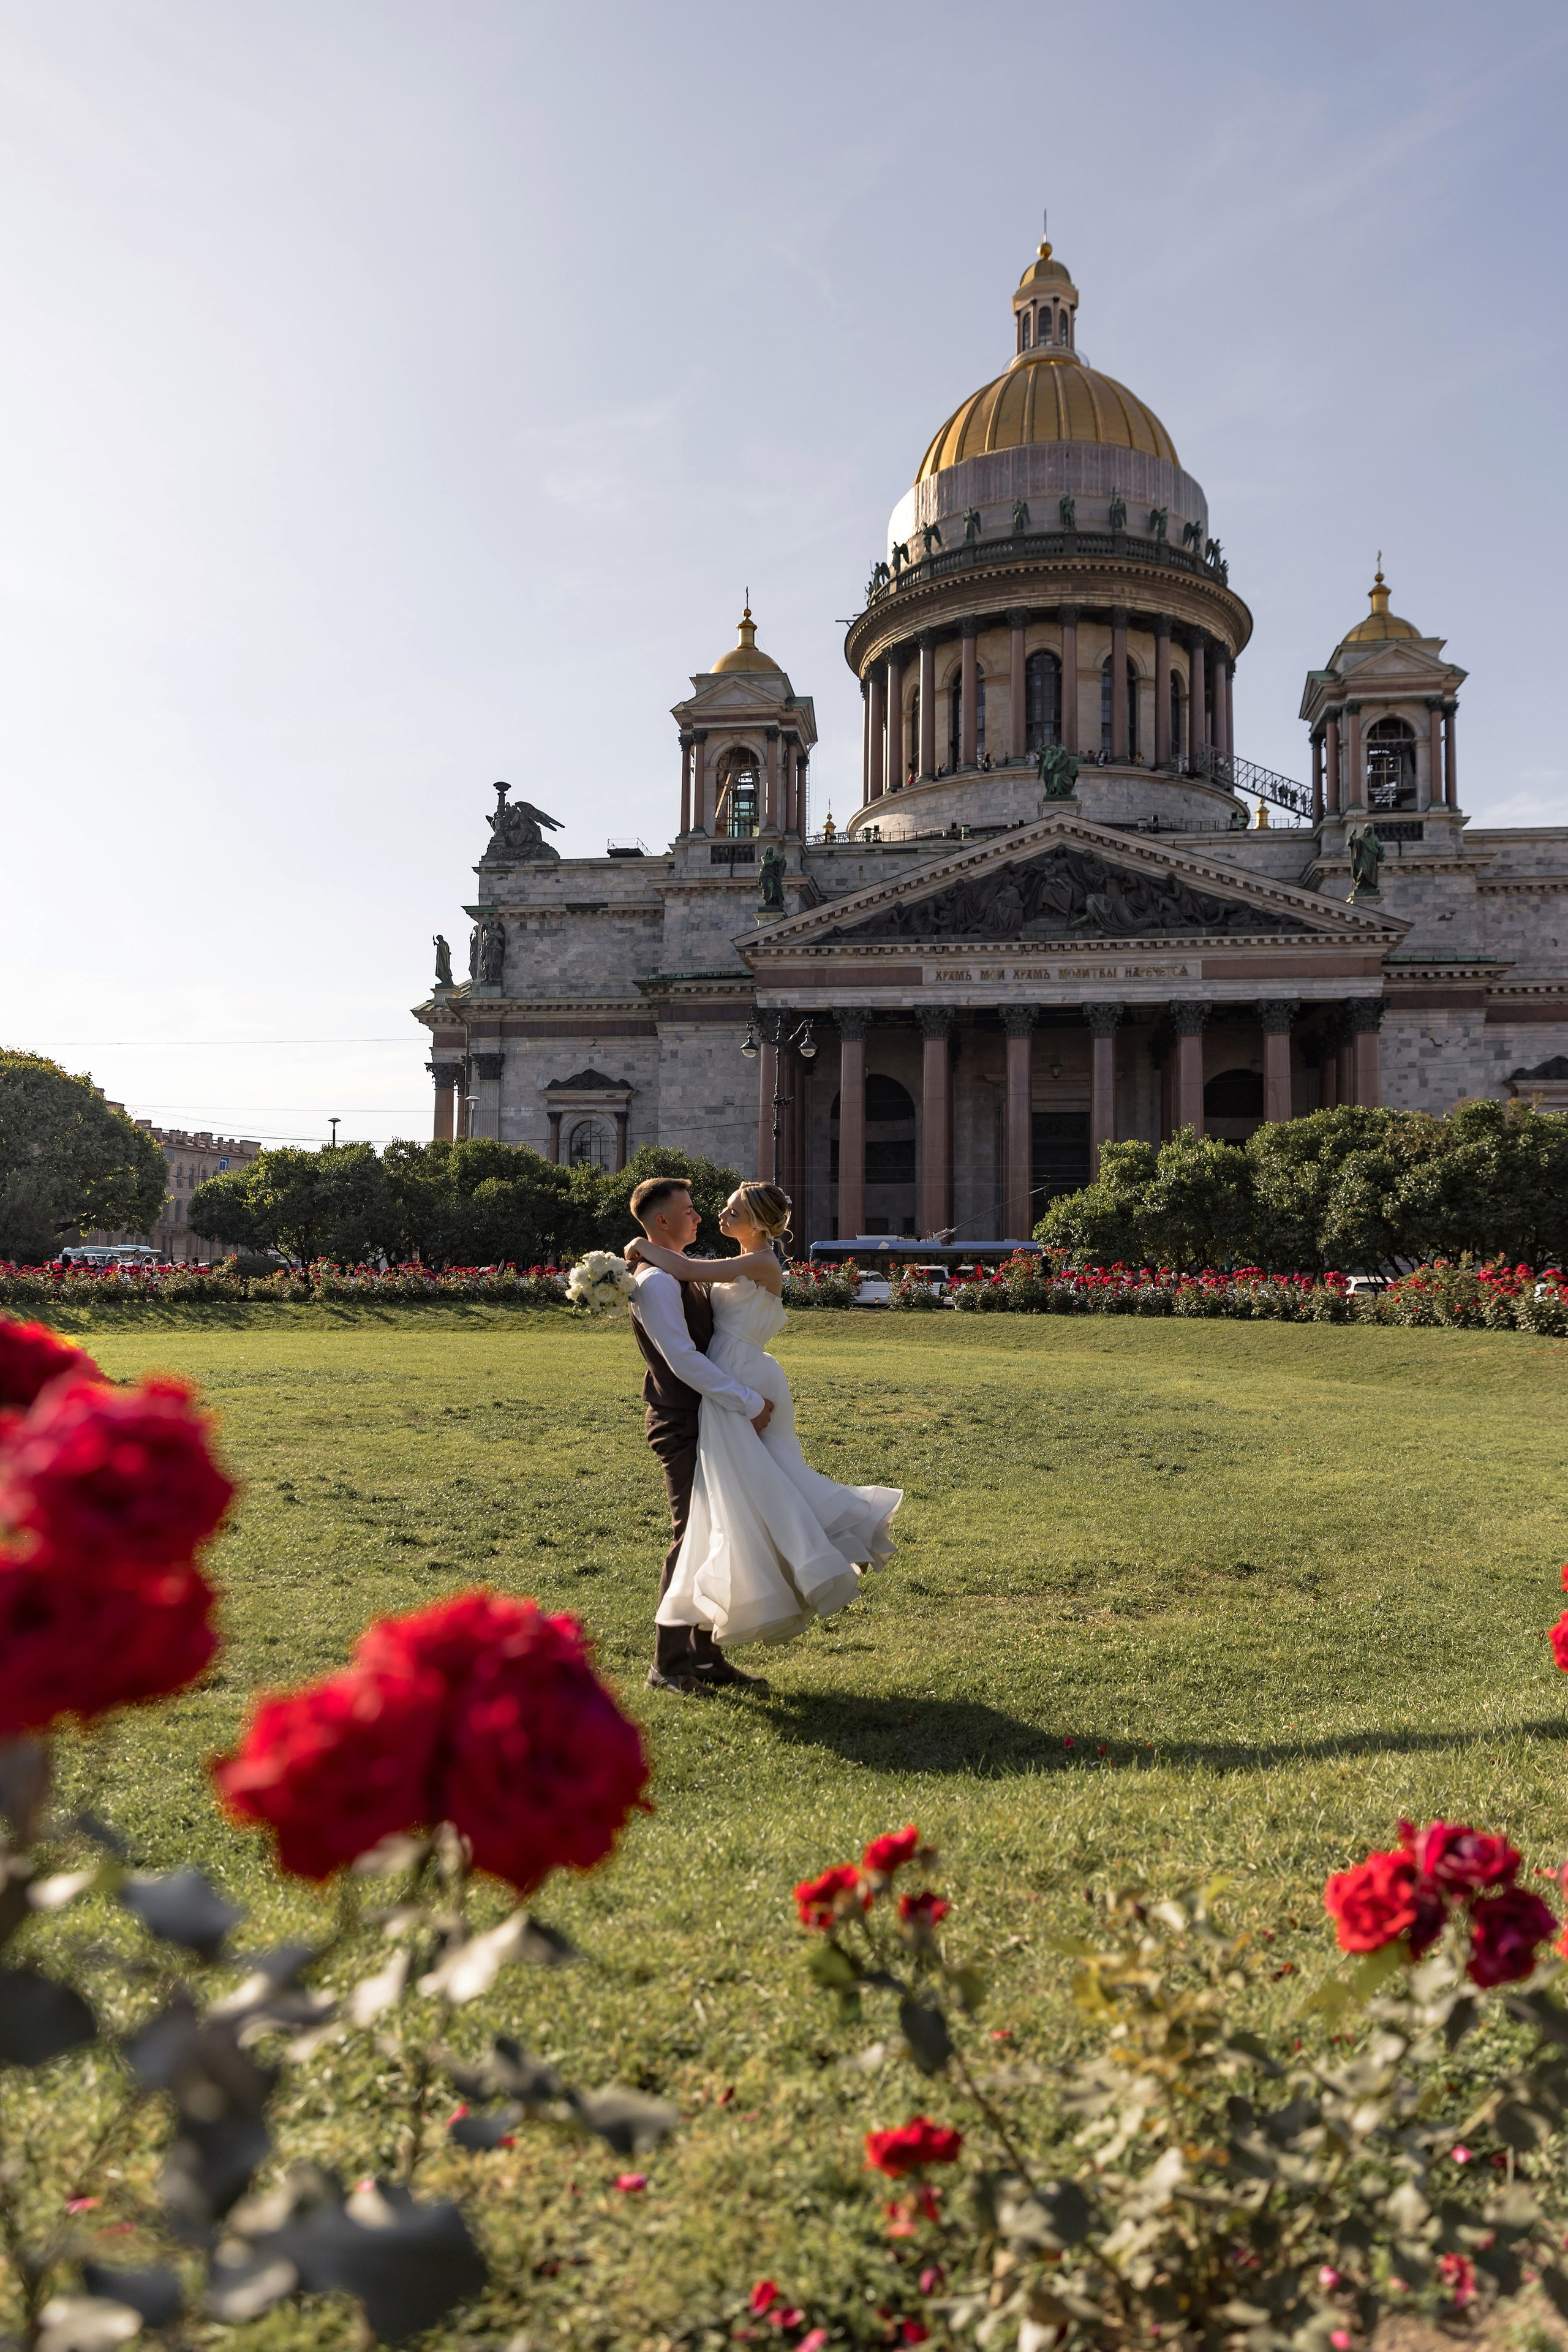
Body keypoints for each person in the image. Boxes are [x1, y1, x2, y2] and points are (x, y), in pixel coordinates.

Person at [627, 1181, 900, 1661]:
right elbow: (684, 1325)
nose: (712, 1215)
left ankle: (703, 1654)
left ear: (756, 1222)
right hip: (727, 1388)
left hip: (743, 1381)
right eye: (697, 1210)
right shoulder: (689, 1272)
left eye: (731, 1211)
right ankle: (690, 1658)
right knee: (733, 1510)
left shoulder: (759, 1262)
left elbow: (688, 1270)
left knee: (750, 1500)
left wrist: (637, 1245)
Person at [626, 1177, 775, 1695]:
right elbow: (683, 1360)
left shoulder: (678, 1271)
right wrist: (749, 1402)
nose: (698, 1217)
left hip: (710, 1418)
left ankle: (706, 1657)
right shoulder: (656, 1282)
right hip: (682, 1420)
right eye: (688, 1211)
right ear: (662, 1221)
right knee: (691, 1537)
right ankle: (668, 1666)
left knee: (716, 1534)